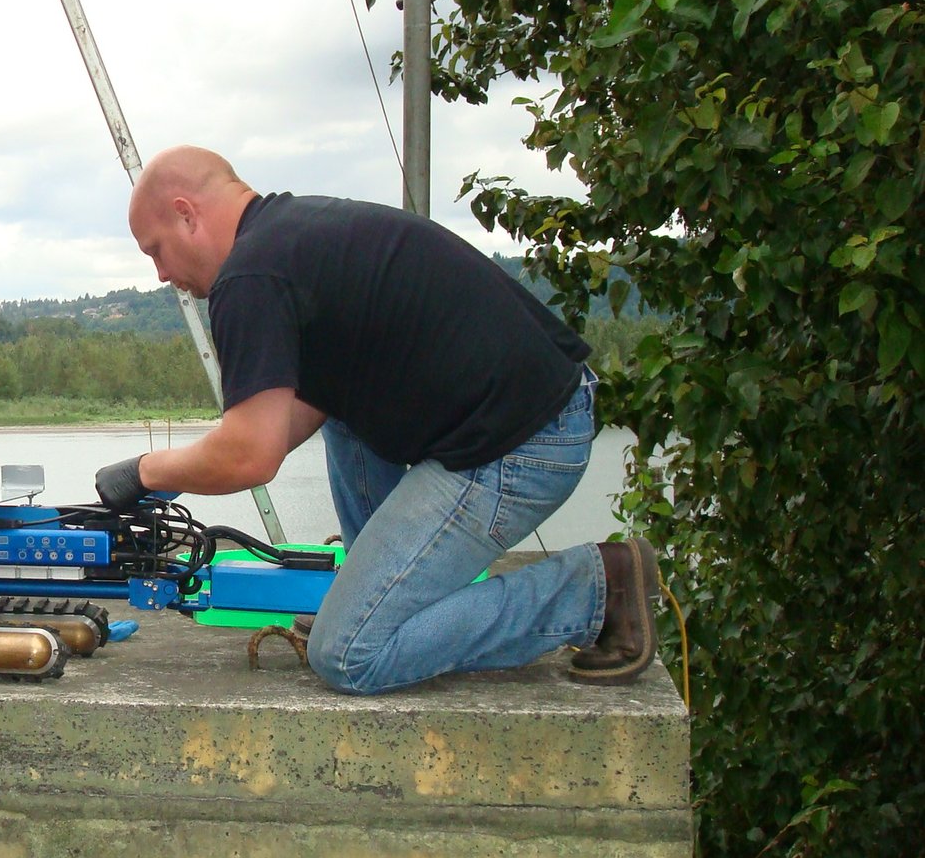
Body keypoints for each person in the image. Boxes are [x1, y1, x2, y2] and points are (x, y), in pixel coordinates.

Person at [93, 145, 659, 694]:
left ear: (186, 214)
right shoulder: (292, 235)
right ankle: (379, 593)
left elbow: (250, 456)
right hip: (538, 412)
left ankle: (594, 589)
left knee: (349, 653)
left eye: (156, 250)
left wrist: (146, 471)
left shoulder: (250, 277)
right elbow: (290, 419)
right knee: (336, 399)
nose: (161, 274)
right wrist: (183, 468)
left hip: (522, 446)